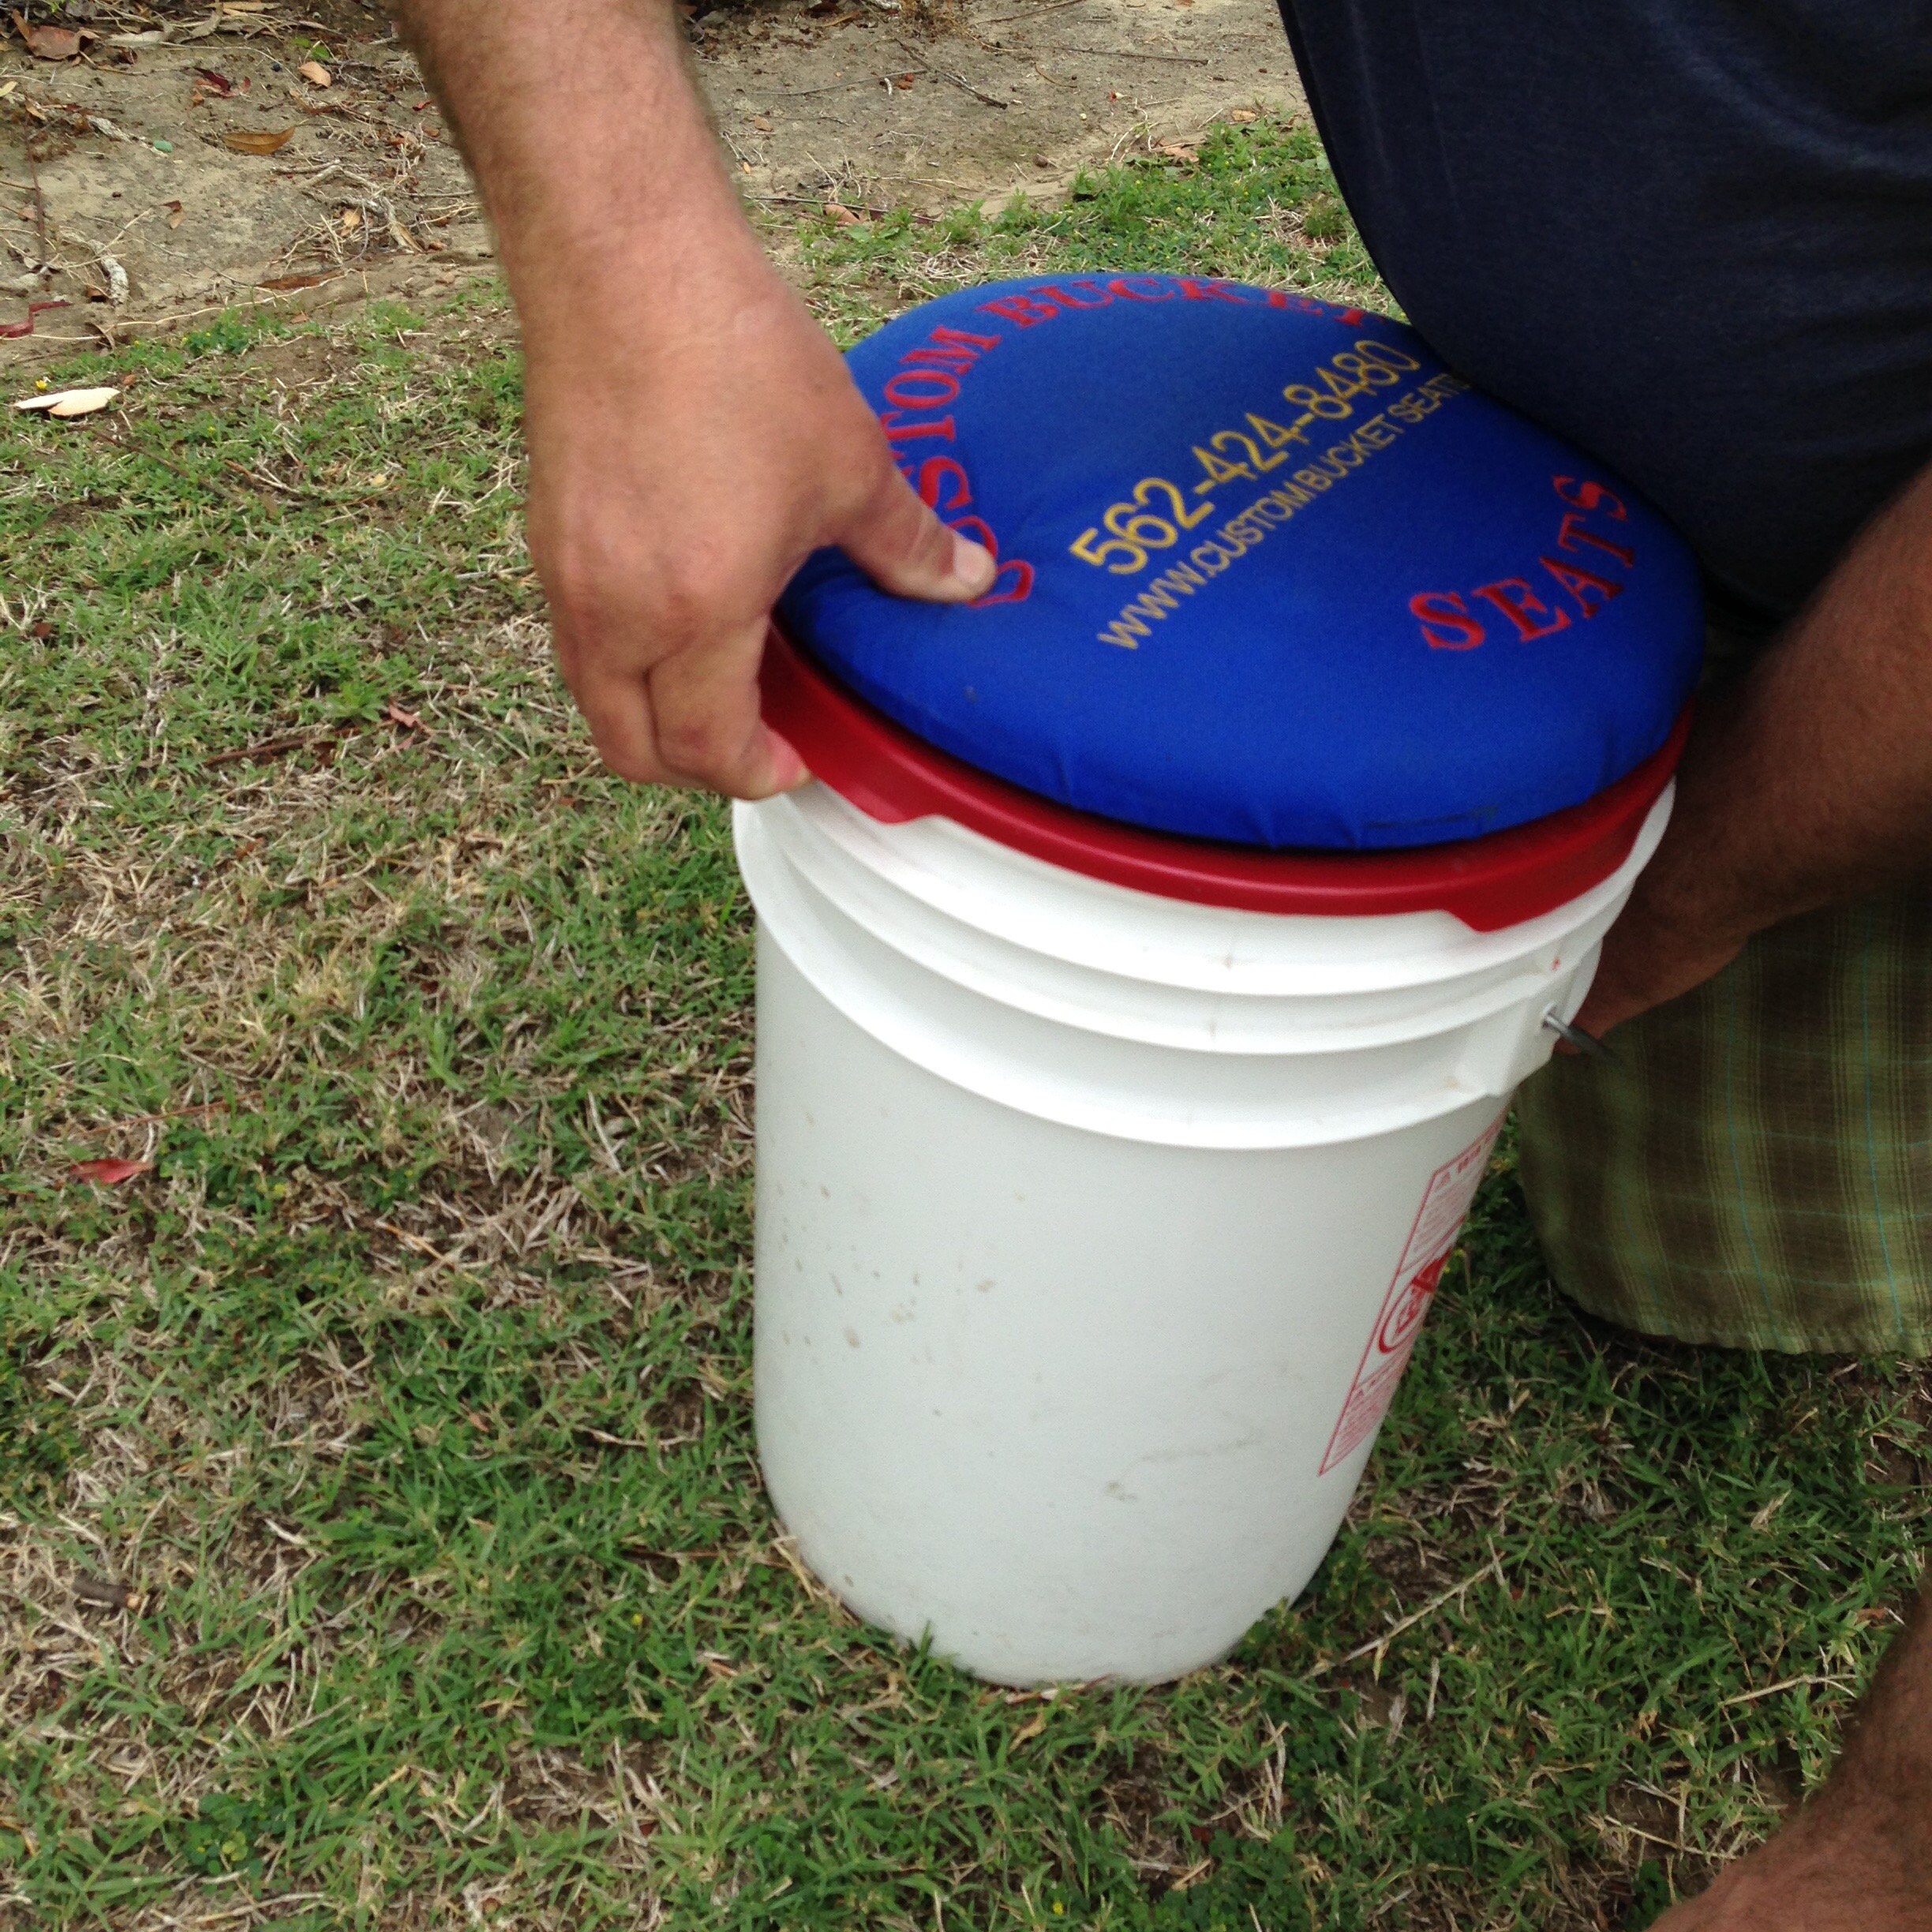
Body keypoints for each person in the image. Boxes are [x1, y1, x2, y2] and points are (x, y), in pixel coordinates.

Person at [391, 3, 1932, 1923]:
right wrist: (633, 283)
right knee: (1637, 1231)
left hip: (1856, 603)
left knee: (1710, 1254)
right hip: (1530, 498)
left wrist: (1671, 902)